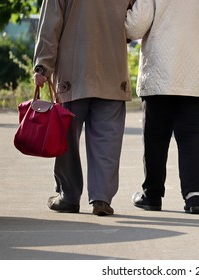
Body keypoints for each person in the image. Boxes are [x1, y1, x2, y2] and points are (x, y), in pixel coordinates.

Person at [125, 0, 199, 214]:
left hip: (160, 75)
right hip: (197, 76)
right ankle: (194, 196)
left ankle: (152, 195)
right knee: (192, 135)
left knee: (156, 136)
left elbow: (135, 27)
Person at [33, 0, 135, 216]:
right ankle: (101, 198)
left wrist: (43, 65)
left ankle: (69, 197)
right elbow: (138, 17)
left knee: (67, 138)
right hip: (113, 68)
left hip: (74, 70)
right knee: (108, 139)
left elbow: (50, 24)